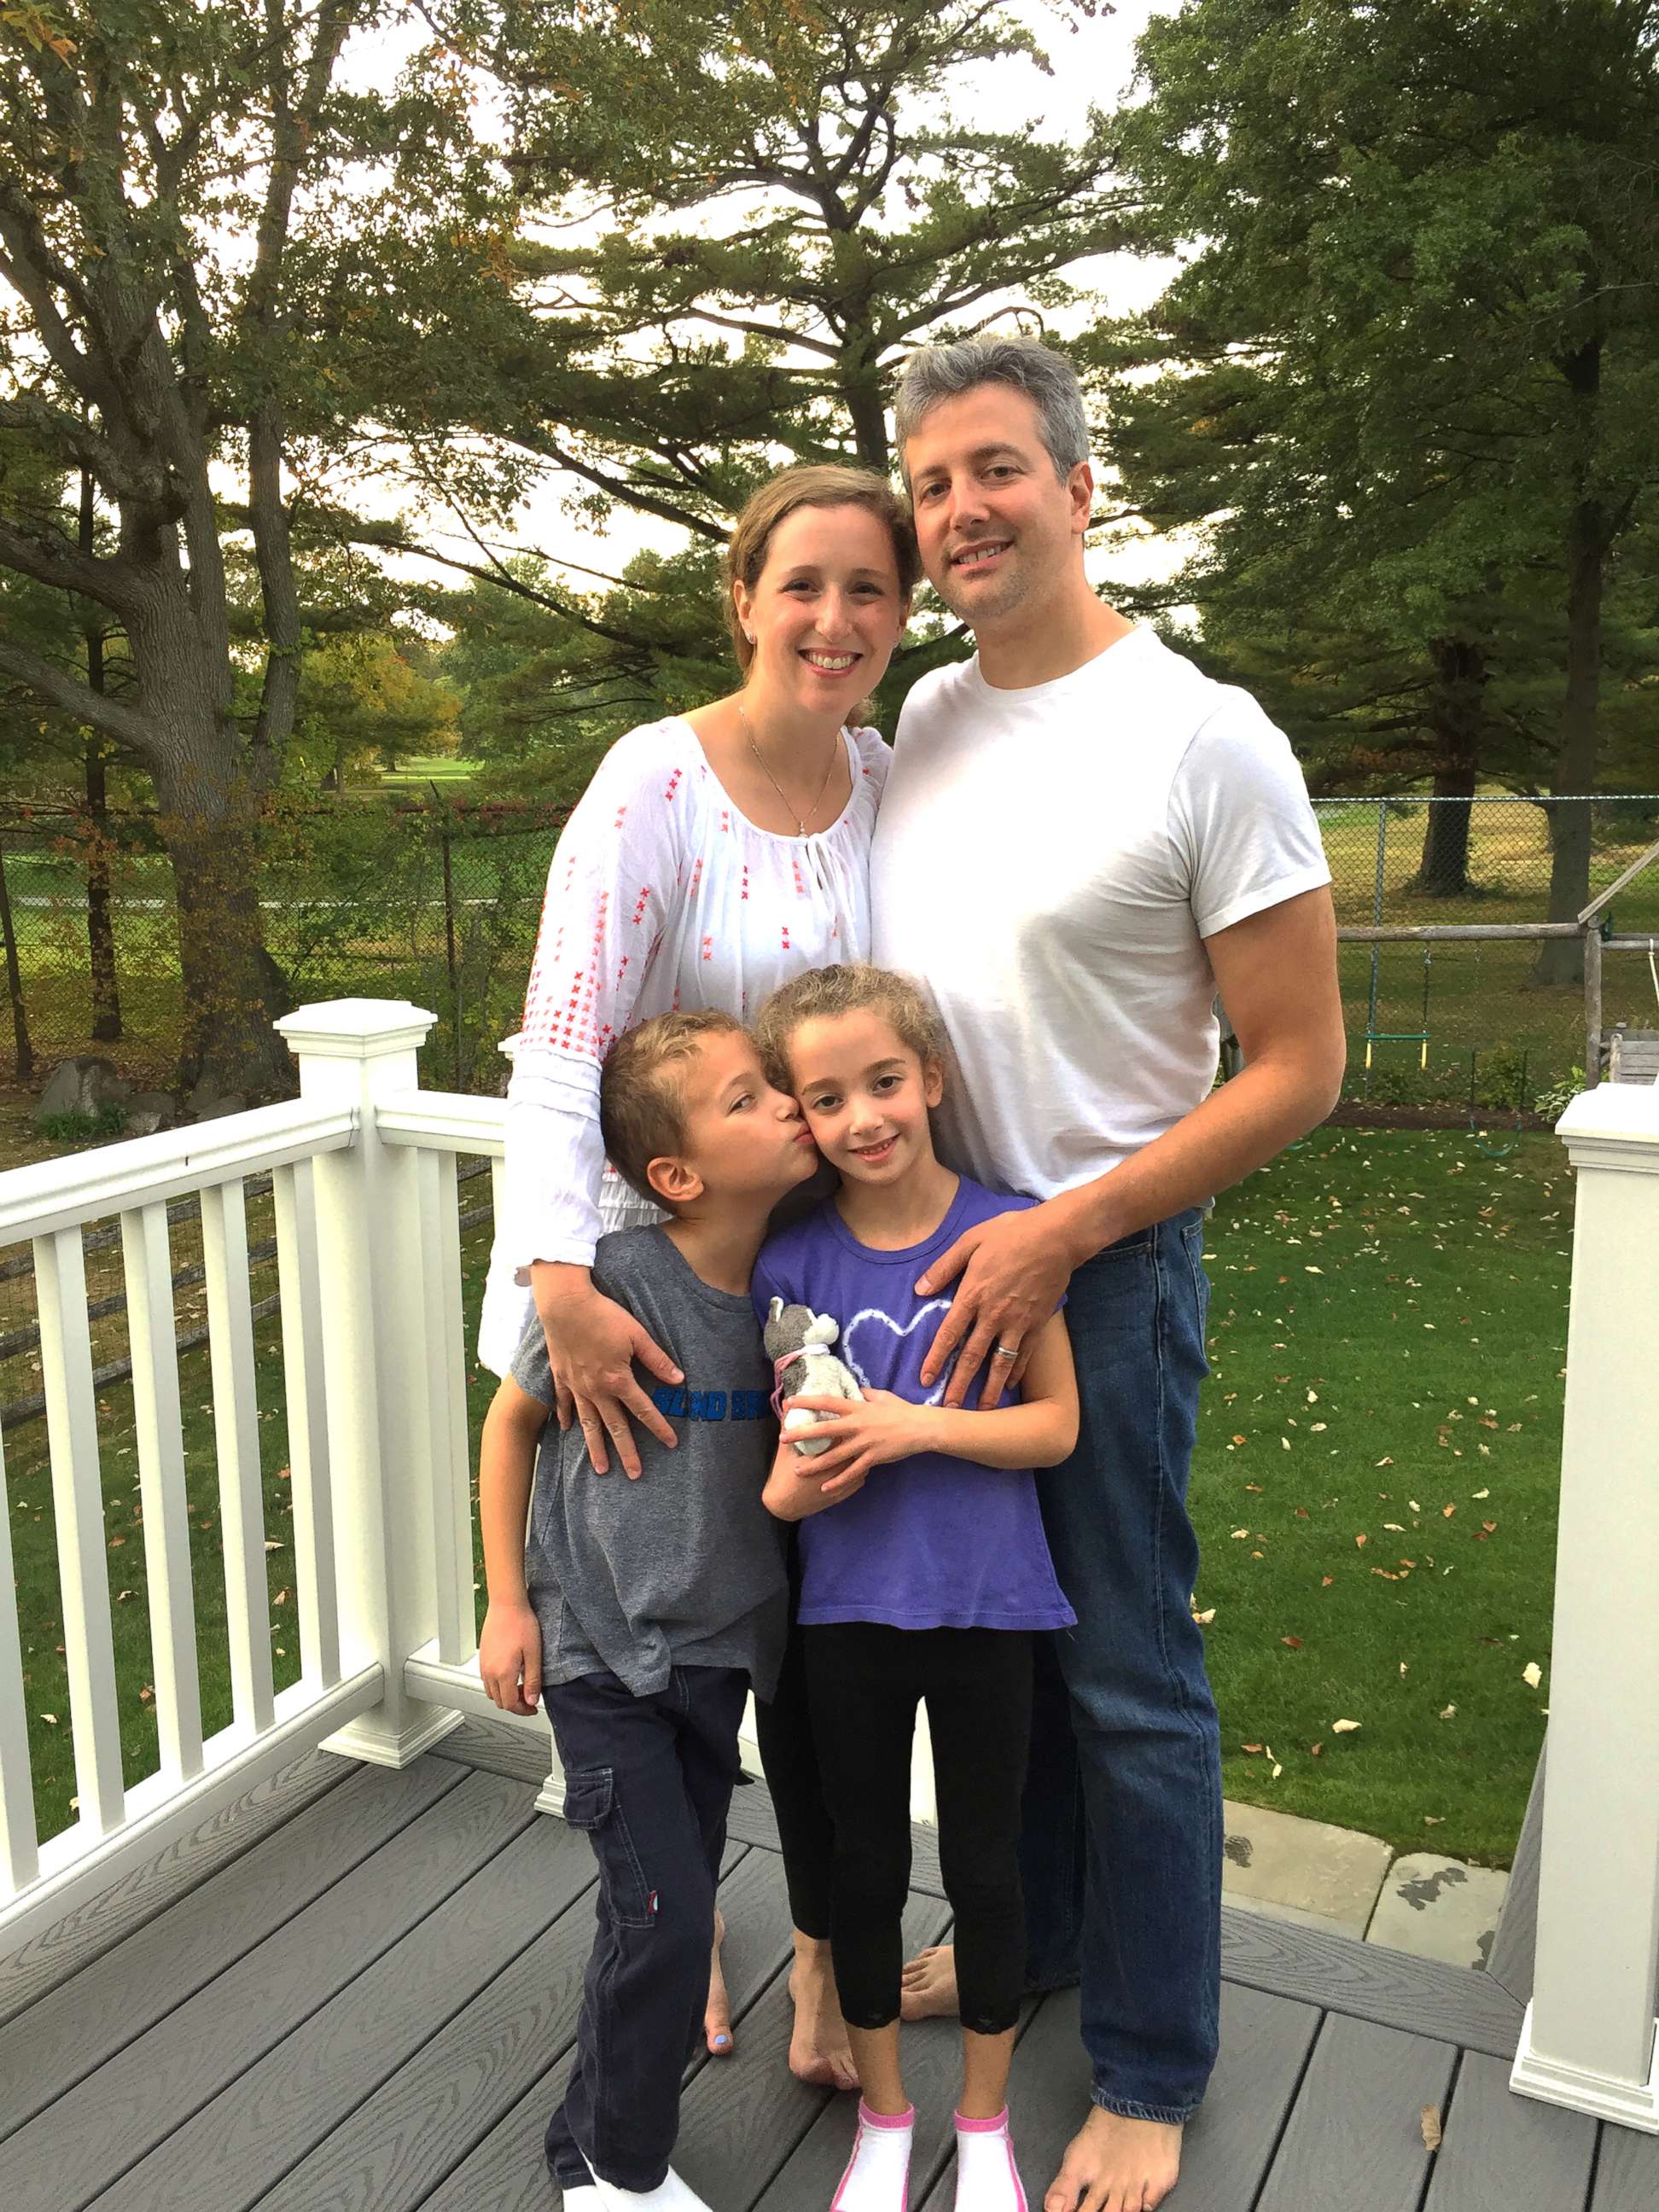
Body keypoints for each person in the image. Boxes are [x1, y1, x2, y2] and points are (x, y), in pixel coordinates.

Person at [870, 337, 1347, 2212]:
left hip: (1099, 1272)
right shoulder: (922, 715)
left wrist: (1070, 1231)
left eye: (995, 468)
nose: (962, 509)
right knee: (1007, 1662)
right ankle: (1036, 1941)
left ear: (1080, 488)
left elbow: (1304, 1069)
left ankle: (1149, 2068)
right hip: (933, 1274)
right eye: (931, 484)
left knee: (1128, 1676)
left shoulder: (1203, 735)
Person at [478, 463, 919, 2087]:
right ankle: (664, 1943)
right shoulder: (654, 784)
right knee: (644, 1642)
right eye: (801, 584)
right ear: (743, 600)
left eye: (868, 589)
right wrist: (562, 1292)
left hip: (807, 1292)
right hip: (630, 1298)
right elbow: (562, 1047)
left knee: (796, 1648)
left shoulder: (881, 780)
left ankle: (816, 1970)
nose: (833, 619)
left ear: (900, 614)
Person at [477, 1009, 823, 2212]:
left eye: (779, 1089)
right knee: (672, 1925)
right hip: (600, 1657)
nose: (786, 1105)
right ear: (674, 1174)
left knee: (651, 1920)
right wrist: (507, 1606)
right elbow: (512, 1423)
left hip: (716, 1667)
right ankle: (618, 2180)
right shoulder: (619, 1282)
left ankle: (586, 2140)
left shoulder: (792, 1293)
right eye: (748, 1099)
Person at [751, 963, 1080, 2212]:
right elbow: (788, 1436)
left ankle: (984, 2128)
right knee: (866, 1870)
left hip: (992, 1611)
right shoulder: (793, 1263)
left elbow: (1053, 1427)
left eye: (884, 1081)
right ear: (803, 1117)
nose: (864, 1117)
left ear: (931, 1079)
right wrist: (820, 1448)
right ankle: (885, 2123)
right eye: (826, 1098)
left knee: (988, 1872)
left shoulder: (1007, 1235)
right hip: (848, 1618)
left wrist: (917, 1428)